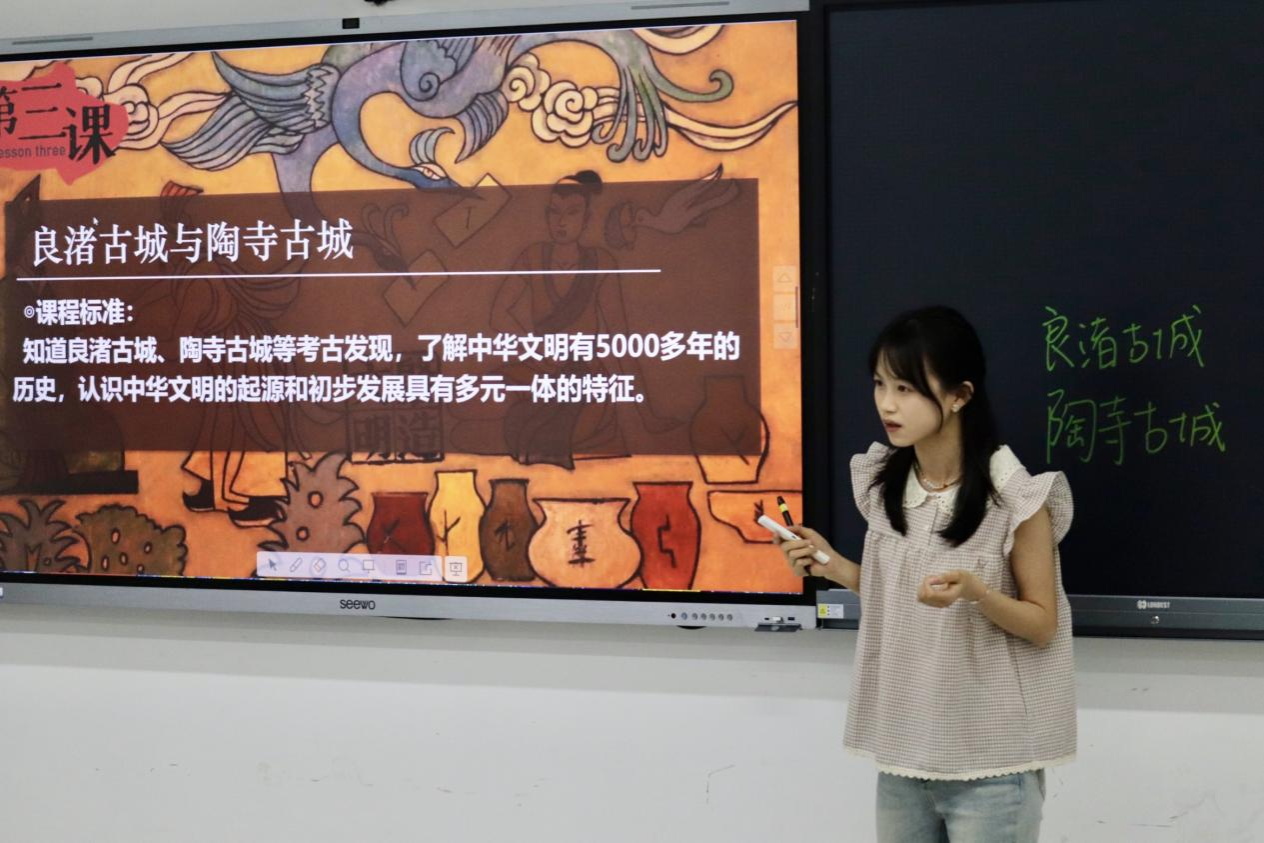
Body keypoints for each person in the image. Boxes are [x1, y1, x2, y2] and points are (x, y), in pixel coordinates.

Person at [776, 306, 1075, 842]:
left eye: (907, 389)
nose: (887, 404)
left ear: (960, 395)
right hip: (905, 752)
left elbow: (1042, 625)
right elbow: (897, 593)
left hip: (993, 765)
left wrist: (979, 593)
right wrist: (831, 564)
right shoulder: (886, 486)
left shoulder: (1016, 498)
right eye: (879, 384)